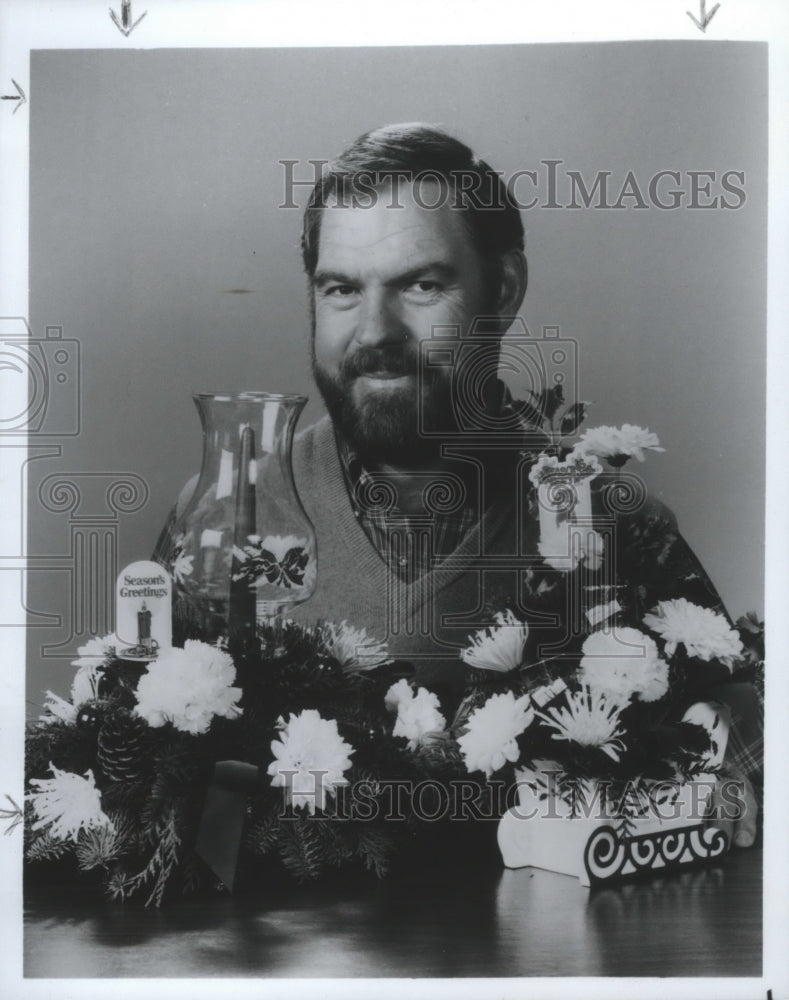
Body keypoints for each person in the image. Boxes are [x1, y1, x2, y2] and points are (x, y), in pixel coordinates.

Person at [156, 123, 760, 844]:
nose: (374, 330)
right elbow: (141, 782)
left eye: (420, 284)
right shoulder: (229, 519)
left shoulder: (606, 517)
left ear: (502, 290)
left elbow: (743, 739)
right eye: (342, 289)